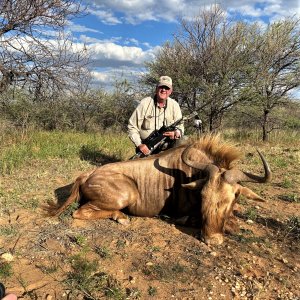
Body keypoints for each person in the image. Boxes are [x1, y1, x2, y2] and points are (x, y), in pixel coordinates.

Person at [128, 76, 184, 156]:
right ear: (156, 88)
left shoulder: (174, 105)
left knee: (183, 140)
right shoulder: (145, 103)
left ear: (170, 91)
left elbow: (180, 126)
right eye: (161, 87)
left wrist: (176, 133)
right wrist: (140, 145)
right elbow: (132, 126)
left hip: (167, 146)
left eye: (166, 88)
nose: (163, 90)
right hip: (147, 148)